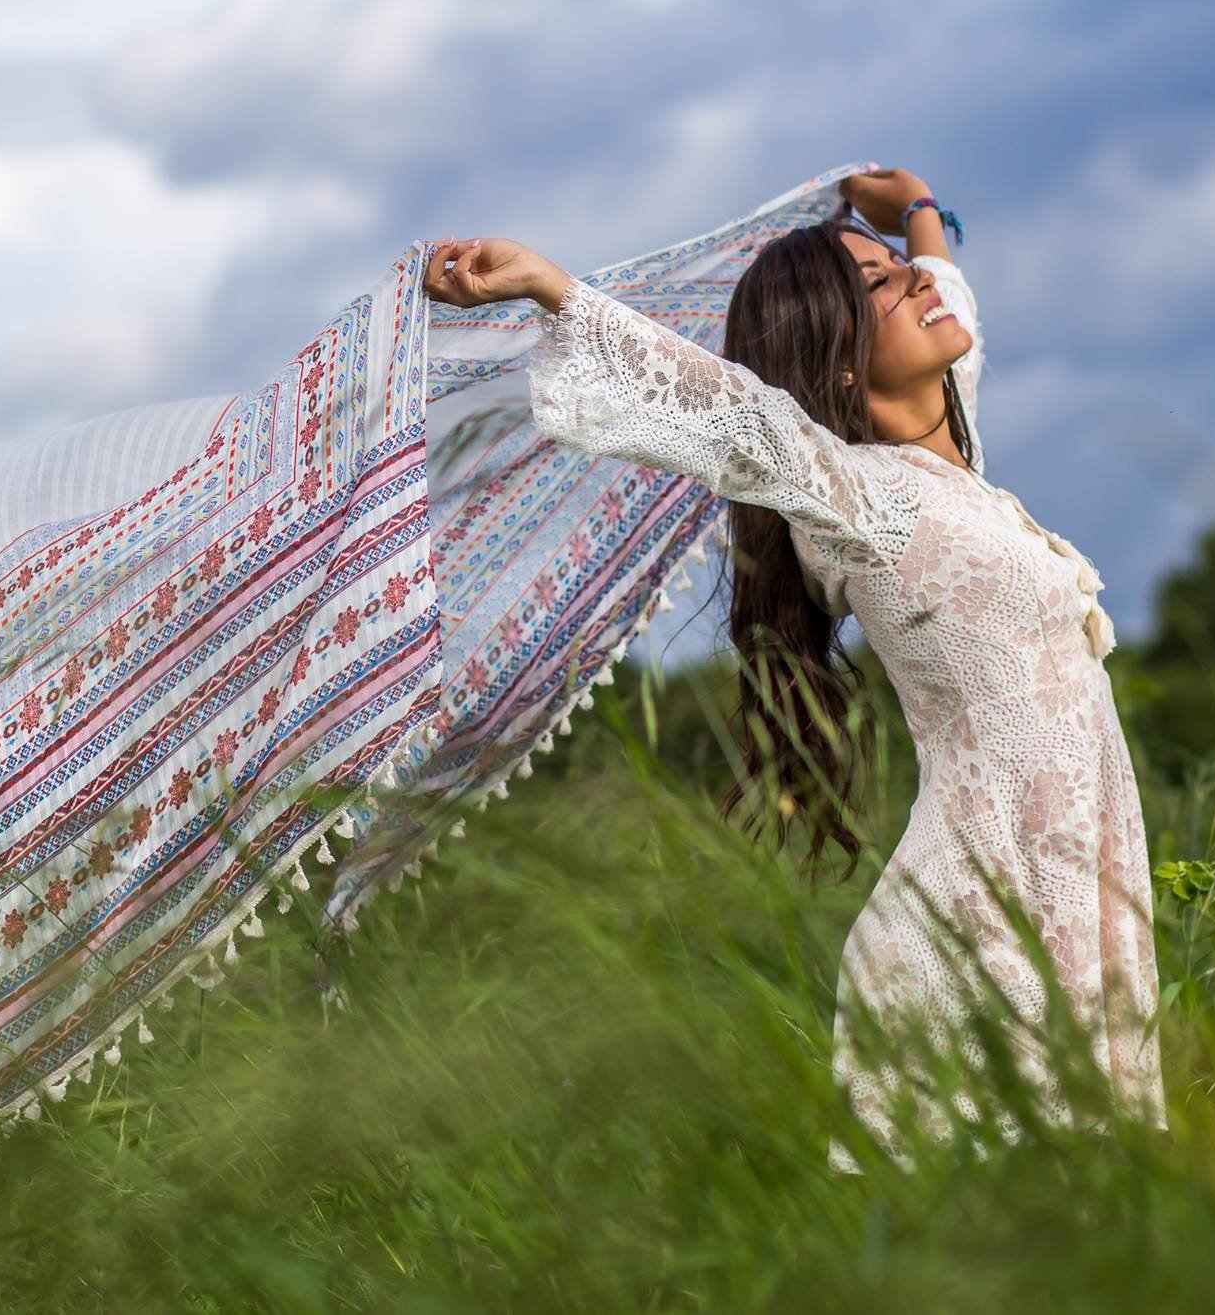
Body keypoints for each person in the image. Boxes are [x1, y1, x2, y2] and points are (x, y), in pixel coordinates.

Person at [420, 168, 1167, 1168]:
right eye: (875, 290)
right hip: (980, 924)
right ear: (839, 366)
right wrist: (552, 287)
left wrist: (917, 217)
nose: (913, 282)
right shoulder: (857, 500)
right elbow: (727, 412)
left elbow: (952, 324)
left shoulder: (951, 482)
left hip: (1067, 897)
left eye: (903, 272)